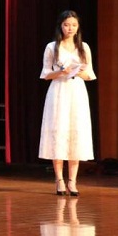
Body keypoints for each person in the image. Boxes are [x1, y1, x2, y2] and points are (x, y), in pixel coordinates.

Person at [39, 10, 96, 197]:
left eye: (73, 25)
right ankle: (59, 180)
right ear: (60, 26)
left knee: (75, 133)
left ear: (78, 27)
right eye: (66, 25)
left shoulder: (83, 47)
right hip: (59, 91)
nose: (70, 28)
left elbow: (89, 75)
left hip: (77, 92)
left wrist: (78, 71)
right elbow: (46, 74)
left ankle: (73, 181)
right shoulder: (52, 47)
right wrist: (61, 72)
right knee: (59, 132)